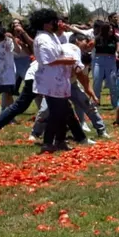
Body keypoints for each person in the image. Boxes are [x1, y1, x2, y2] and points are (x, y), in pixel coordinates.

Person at [30, 9, 79, 154]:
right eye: (54, 21)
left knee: (62, 111)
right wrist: (68, 60)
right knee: (56, 112)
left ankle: (60, 140)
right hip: (51, 81)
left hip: (59, 79)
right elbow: (48, 60)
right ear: (46, 23)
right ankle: (48, 142)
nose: (57, 23)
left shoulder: (51, 36)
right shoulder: (43, 39)